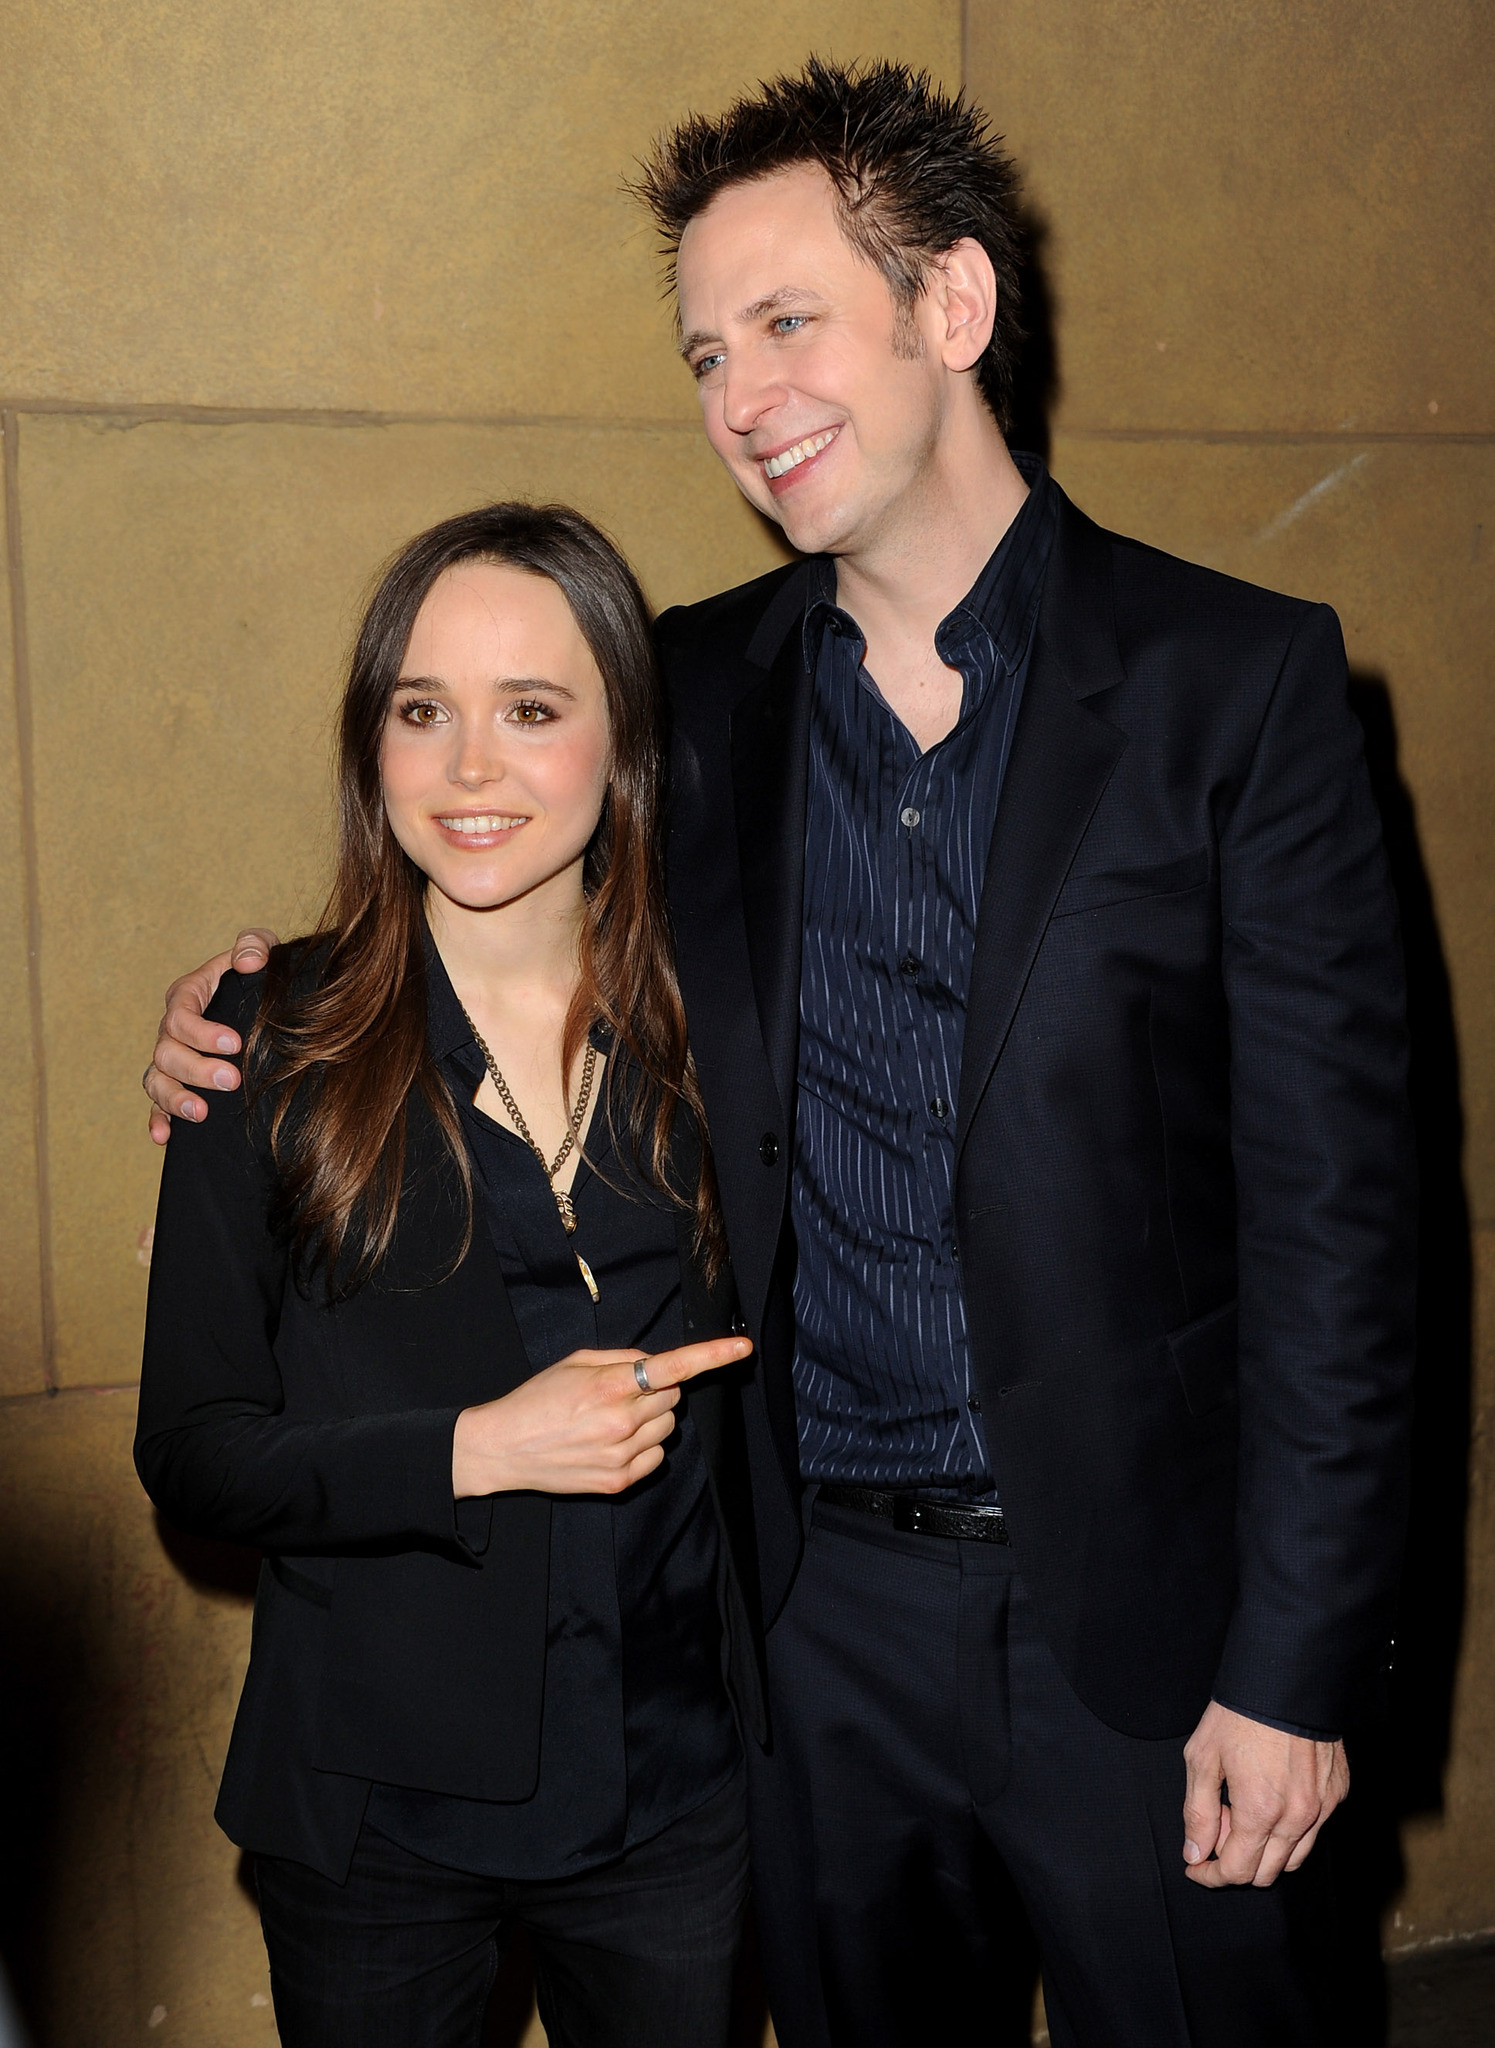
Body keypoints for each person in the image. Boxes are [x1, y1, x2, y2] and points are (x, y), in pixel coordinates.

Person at [143, 60, 1417, 2048]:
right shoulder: (693, 691)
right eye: (706, 350)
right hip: (806, 1621)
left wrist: (1296, 1664)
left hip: (1153, 1640)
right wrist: (249, 1014)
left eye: (788, 321)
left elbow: (1352, 1234)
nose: (741, 394)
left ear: (955, 307)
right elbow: (480, 854)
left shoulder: (1234, 685)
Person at [135, 502, 761, 2048]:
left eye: (532, 712)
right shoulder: (264, 1037)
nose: (471, 768)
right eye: (424, 712)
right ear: (375, 748)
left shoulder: (721, 1029)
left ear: (619, 744)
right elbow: (196, 1453)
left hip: (679, 1792)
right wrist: (480, 1449)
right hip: (377, 1817)